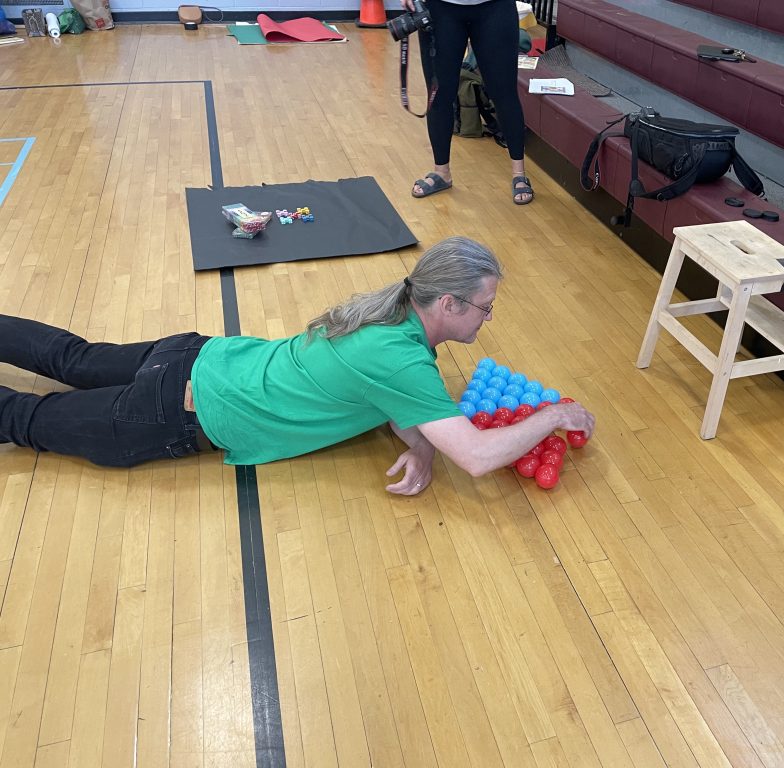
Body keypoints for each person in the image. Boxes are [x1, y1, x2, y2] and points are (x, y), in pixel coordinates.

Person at [0, 237, 594, 494]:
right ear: (448, 303)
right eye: (484, 308)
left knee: (71, 357)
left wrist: (420, 444)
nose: (488, 320)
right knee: (24, 420)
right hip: (170, 414)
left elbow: (389, 400)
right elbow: (480, 456)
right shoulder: (404, 362)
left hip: (196, 354)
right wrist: (556, 414)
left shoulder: (393, 312)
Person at [404, 0, 535, 205]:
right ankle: (442, 173)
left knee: (504, 92)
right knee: (439, 95)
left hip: (495, 7)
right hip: (440, 8)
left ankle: (519, 173)